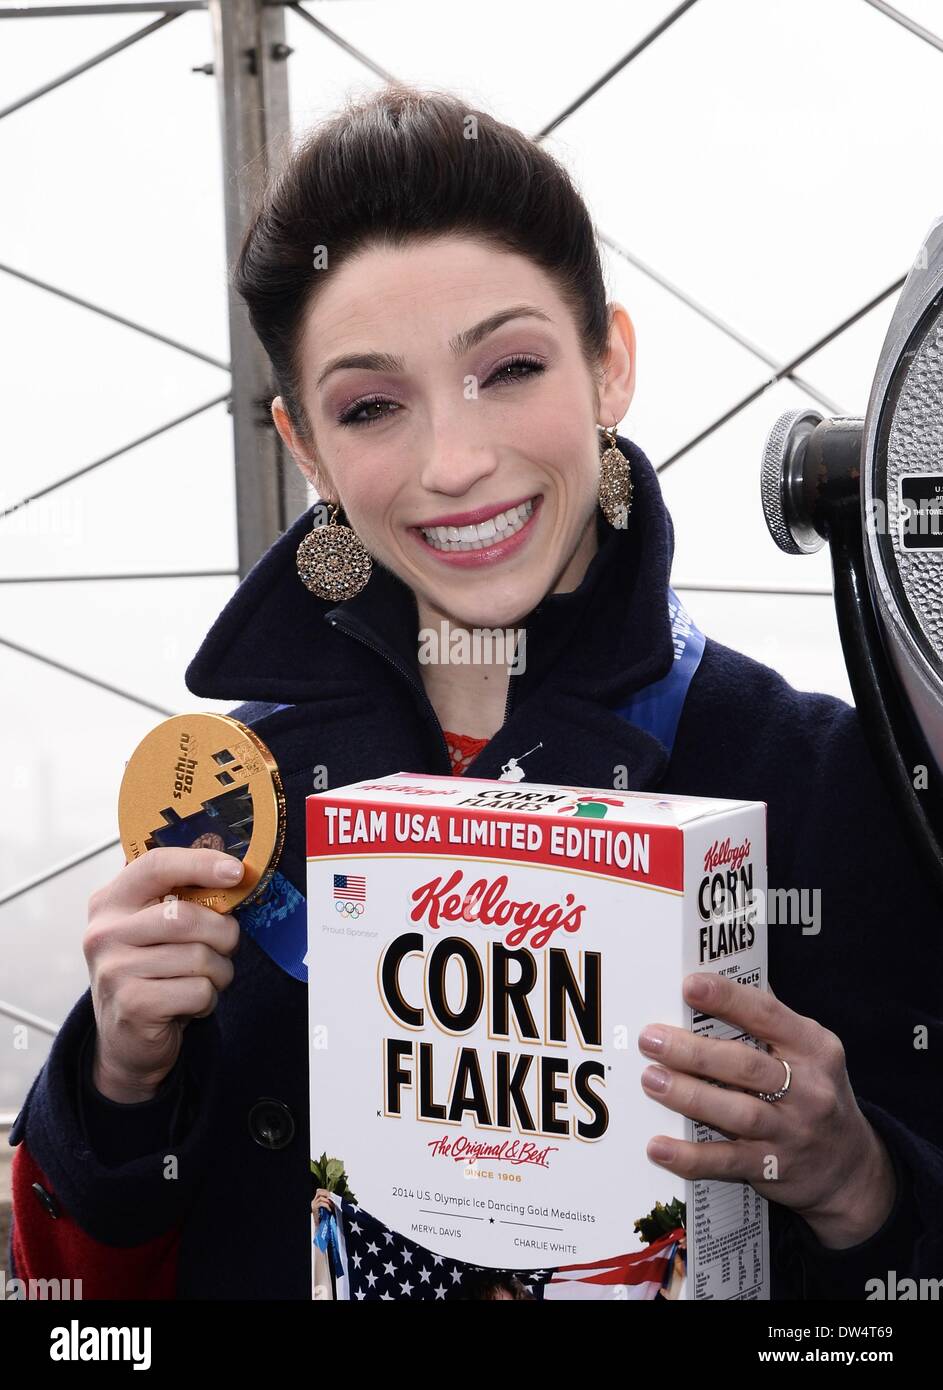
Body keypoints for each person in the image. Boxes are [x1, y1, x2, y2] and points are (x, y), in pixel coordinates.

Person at [7, 82, 943, 1302]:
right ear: (306, 451)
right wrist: (119, 1080)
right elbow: (82, 1307)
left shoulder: (828, 783)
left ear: (610, 364)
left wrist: (860, 1179)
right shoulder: (235, 812)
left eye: (507, 368)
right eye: (374, 405)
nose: (455, 462)